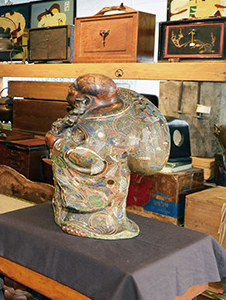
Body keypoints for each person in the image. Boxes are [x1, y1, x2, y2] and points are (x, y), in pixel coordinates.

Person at [45, 74, 169, 240]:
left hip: (102, 186)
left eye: (74, 90)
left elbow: (90, 159)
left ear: (87, 100)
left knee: (100, 209)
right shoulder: (117, 109)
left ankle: (91, 224)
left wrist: (57, 144)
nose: (70, 91)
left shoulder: (99, 126)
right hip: (115, 178)